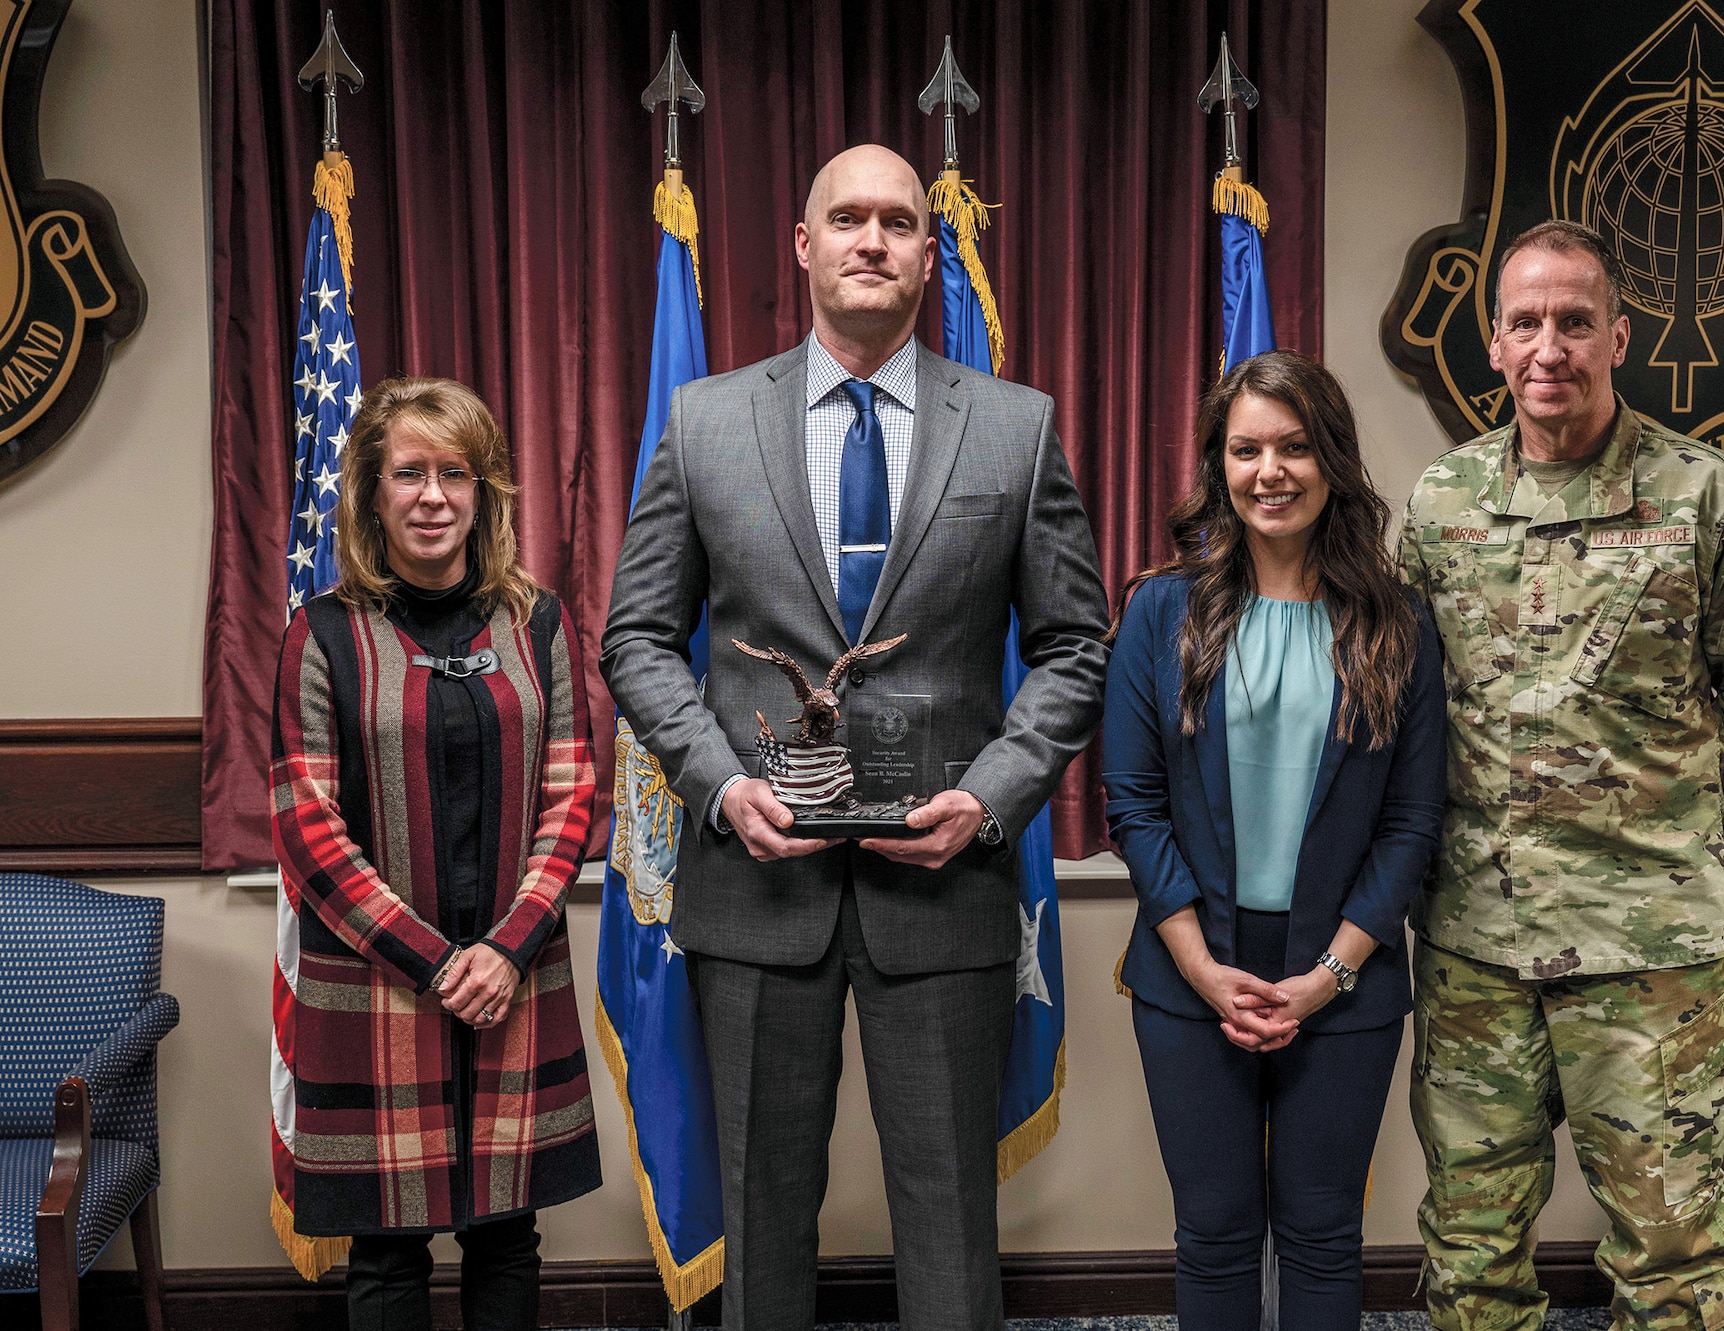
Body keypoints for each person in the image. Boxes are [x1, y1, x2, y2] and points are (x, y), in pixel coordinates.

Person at [601, 144, 1110, 1331]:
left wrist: (988, 798)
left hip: (943, 887)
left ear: (928, 256)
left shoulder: (1016, 429)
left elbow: (1077, 645)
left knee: (947, 1223)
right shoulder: (705, 420)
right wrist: (719, 785)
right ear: (803, 245)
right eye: (847, 218)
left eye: (896, 220)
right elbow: (635, 636)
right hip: (752, 883)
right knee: (760, 1217)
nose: (871, 238)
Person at [1399, 220, 1724, 1331]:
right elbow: (1399, 708)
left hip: (1651, 959)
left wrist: (1664, 827)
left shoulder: (1698, 495)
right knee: (1470, 1256)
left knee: (1672, 1266)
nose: (1549, 346)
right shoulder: (1439, 506)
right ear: (1491, 343)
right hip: (1475, 947)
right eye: (1525, 321)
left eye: (1574, 321)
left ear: (1616, 336)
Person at [1102, 350, 1447, 1329]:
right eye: (1245, 448)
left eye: (1293, 446)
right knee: (1210, 1231)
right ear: (1218, 463)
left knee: (1321, 1232)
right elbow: (1133, 805)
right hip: (1187, 975)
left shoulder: (1396, 624)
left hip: (1343, 977)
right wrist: (1207, 971)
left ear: (1329, 458)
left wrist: (1326, 975)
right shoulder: (1157, 611)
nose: (1270, 471)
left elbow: (1410, 824)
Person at [270, 377, 600, 1331]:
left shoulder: (536, 622)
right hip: (381, 976)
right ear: (372, 493)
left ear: (483, 490)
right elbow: (308, 825)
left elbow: (572, 794)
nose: (432, 496)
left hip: (514, 966)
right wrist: (436, 960)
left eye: (454, 473)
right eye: (408, 473)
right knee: (386, 1246)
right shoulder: (324, 633)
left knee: (507, 1232)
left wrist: (504, 949)